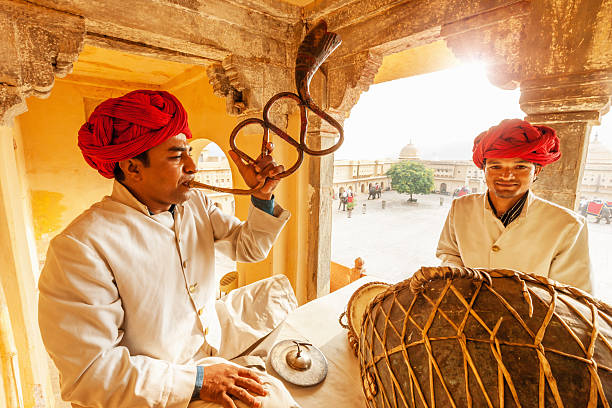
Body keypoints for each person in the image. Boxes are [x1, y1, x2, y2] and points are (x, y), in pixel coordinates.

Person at [37, 90, 300, 408]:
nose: (192, 166)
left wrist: (261, 196)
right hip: (156, 390)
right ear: (133, 167)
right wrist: (200, 381)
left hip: (209, 353)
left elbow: (250, 247)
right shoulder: (81, 248)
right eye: (177, 156)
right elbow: (91, 375)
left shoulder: (195, 205)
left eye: (189, 152)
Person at [436, 119, 592, 292]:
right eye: (496, 166)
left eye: (520, 167)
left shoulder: (567, 225)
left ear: (536, 171)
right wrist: (458, 277)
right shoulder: (461, 207)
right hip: (467, 309)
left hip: (532, 317)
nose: (507, 175)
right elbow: (450, 253)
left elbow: (574, 294)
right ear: (484, 170)